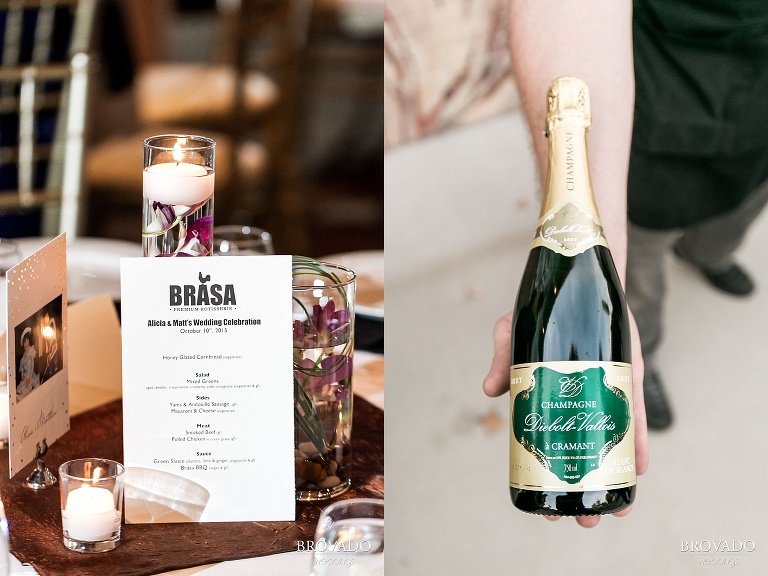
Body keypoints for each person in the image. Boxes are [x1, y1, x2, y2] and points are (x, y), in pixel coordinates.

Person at [483, 0, 768, 527]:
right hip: (668, 120)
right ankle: (647, 359)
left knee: (728, 230)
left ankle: (708, 254)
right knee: (641, 275)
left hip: (759, 142)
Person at [17, 328, 40, 400]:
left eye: (26, 341)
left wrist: (29, 377)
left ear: (29, 341)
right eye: (24, 342)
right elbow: (22, 371)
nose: (25, 343)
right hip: (26, 376)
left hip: (31, 374)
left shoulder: (31, 351)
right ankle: (20, 396)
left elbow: (32, 366)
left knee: (32, 385)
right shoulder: (23, 358)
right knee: (23, 387)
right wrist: (24, 378)